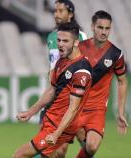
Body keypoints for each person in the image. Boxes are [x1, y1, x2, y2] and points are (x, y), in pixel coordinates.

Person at [13, 22, 92, 158]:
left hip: (59, 126)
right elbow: (52, 90)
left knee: (19, 155)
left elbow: (73, 108)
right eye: (59, 40)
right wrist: (31, 111)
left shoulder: (81, 70)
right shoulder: (62, 62)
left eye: (65, 41)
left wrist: (56, 134)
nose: (60, 44)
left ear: (76, 43)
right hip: (52, 121)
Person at [76, 10, 128, 158]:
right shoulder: (78, 48)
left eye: (107, 28)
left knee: (91, 147)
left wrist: (120, 113)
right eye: (100, 27)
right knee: (59, 150)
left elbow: (122, 81)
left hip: (96, 109)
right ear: (92, 27)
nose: (104, 32)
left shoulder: (115, 54)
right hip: (75, 105)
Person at [41, 1, 87, 157]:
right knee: (50, 146)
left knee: (69, 146)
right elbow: (53, 64)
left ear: (71, 14)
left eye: (61, 11)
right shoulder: (52, 36)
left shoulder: (81, 36)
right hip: (56, 92)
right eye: (55, 11)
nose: (56, 14)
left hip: (72, 93)